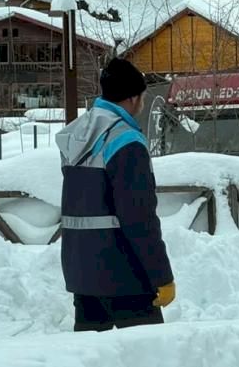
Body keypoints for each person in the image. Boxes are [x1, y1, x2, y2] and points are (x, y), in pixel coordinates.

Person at [55, 58, 175, 332]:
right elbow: (139, 216)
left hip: (82, 273)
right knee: (147, 356)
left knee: (93, 359)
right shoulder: (125, 140)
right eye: (143, 97)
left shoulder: (80, 133)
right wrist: (162, 276)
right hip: (125, 275)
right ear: (133, 98)